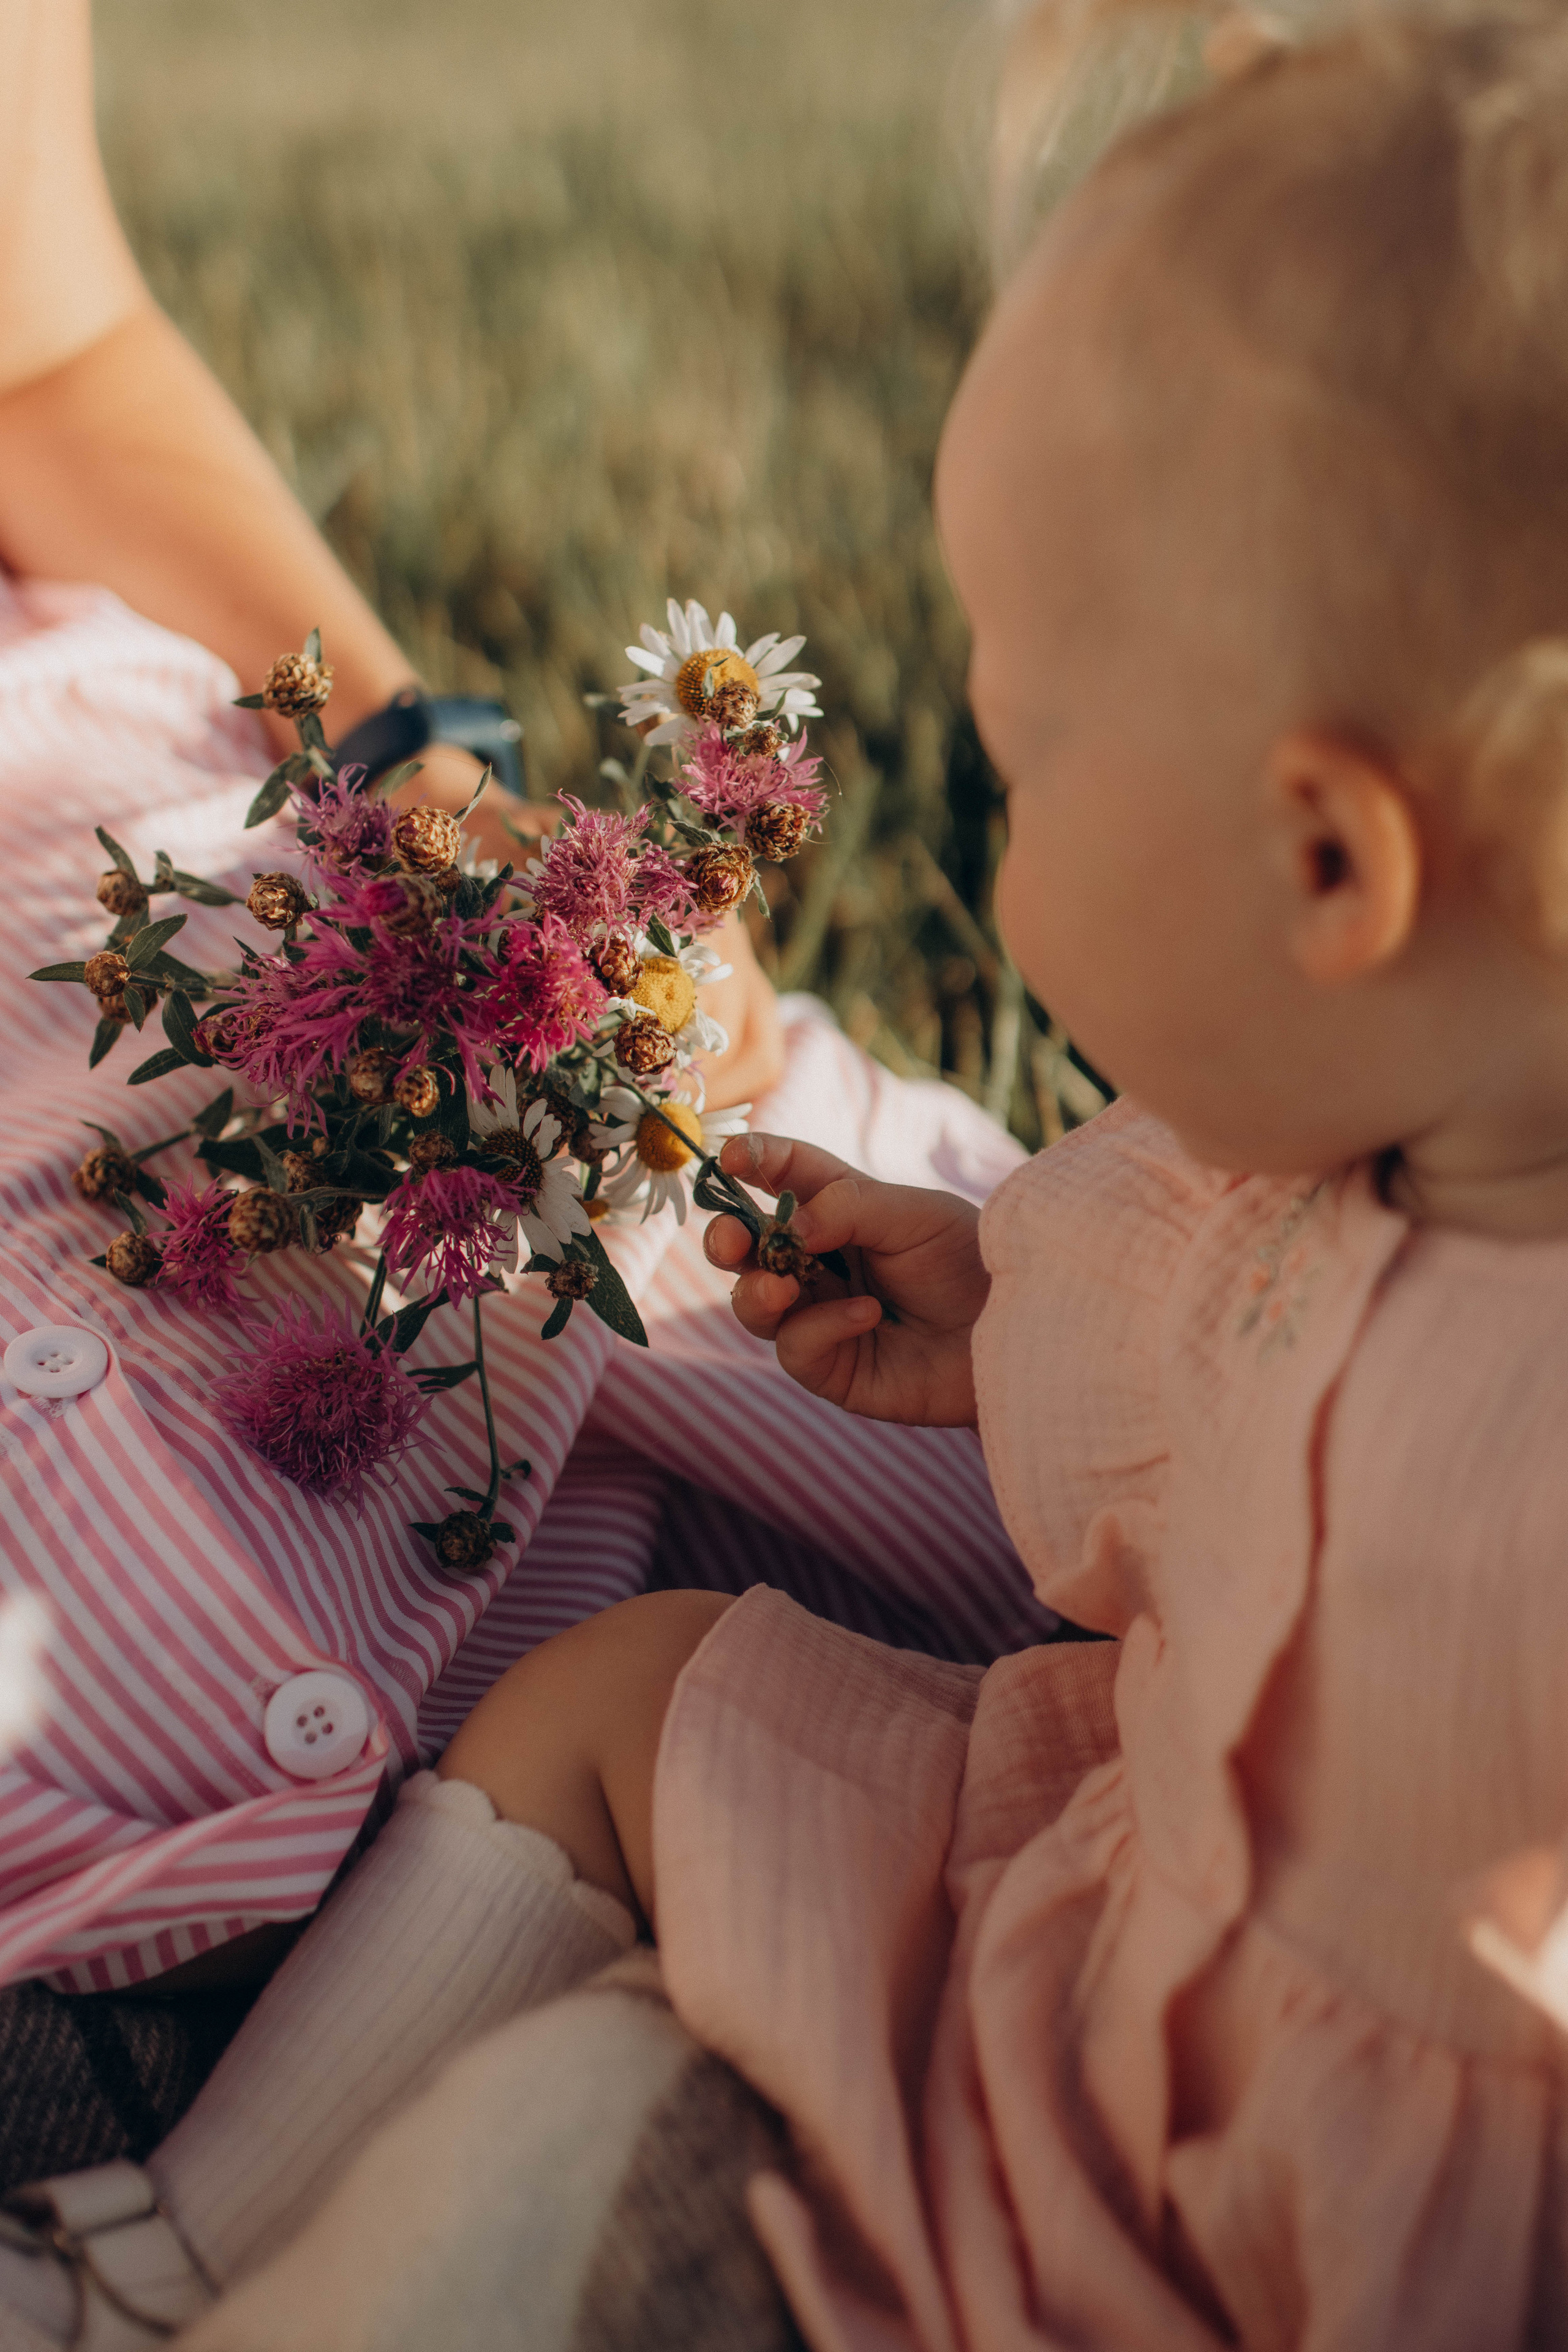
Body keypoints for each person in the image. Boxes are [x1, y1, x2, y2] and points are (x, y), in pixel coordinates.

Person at [22, 1, 1564, 2343]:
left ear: (1331, 865)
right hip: (1100, 1949)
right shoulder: (1268, 1189)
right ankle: (181, 2259)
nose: (989, 815)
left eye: (1021, 755)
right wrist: (993, 1303)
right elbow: (1164, 1313)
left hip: (1284, 2162)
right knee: (648, 1693)